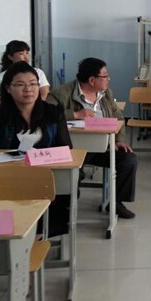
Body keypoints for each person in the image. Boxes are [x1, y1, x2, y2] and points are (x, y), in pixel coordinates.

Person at [47, 58, 138, 219]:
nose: (108, 79)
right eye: (105, 75)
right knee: (75, 172)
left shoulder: (106, 93)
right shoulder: (61, 94)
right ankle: (64, 209)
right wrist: (75, 114)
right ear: (91, 80)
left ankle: (115, 202)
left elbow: (118, 116)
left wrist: (118, 140)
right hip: (75, 149)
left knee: (129, 160)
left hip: (103, 147)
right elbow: (46, 115)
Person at [0, 61, 72, 236]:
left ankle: (41, 234)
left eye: (33, 84)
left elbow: (66, 147)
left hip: (48, 172)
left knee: (59, 189)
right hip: (11, 174)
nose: (28, 89)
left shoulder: (53, 112)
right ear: (8, 88)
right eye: (20, 85)